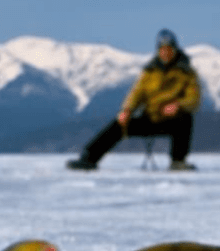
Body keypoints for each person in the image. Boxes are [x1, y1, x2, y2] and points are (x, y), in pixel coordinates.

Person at [67, 29, 201, 171]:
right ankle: (89, 158)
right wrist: (127, 110)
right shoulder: (149, 71)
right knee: (119, 123)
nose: (165, 53)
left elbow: (194, 99)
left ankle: (178, 161)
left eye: (169, 49)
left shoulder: (187, 73)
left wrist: (177, 105)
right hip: (150, 118)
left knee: (186, 119)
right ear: (158, 51)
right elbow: (136, 94)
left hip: (172, 120)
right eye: (162, 49)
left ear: (175, 50)